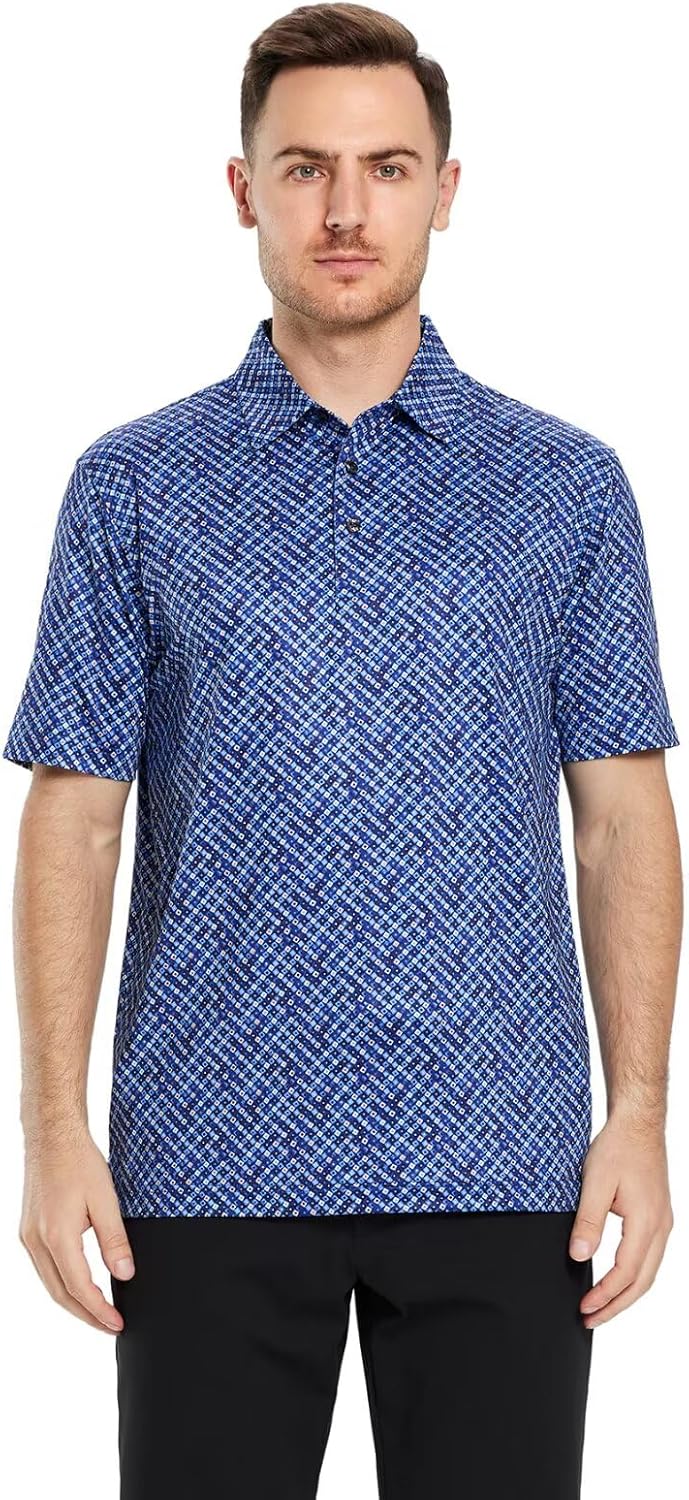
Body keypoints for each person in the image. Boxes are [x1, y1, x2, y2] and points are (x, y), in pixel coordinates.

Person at [4, 4, 682, 1498]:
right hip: (204, 1160)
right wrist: (53, 1134)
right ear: (241, 188)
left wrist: (638, 1115)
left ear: (447, 189)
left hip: (504, 1156)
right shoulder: (134, 485)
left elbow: (622, 816)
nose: (346, 210)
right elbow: (76, 816)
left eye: (387, 167)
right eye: (305, 167)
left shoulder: (565, 488)